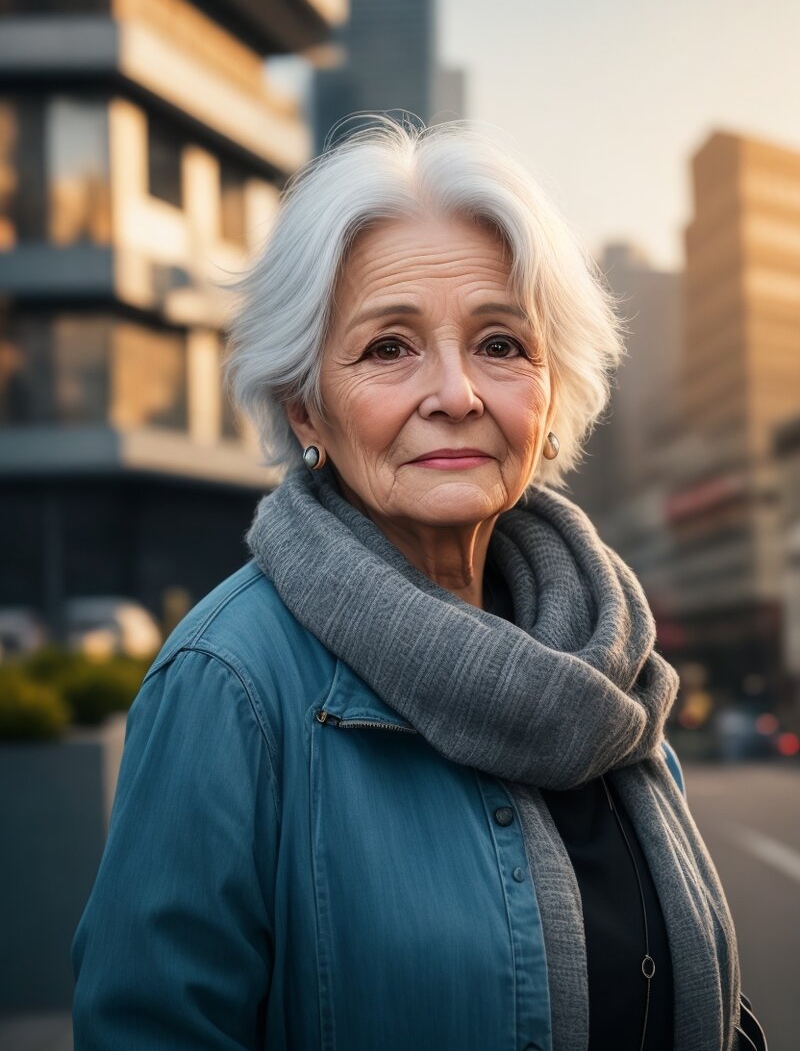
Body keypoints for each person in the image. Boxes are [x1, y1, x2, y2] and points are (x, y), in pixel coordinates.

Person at [71, 117, 767, 1050]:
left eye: (501, 344)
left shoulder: (610, 660)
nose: (457, 393)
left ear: (551, 395)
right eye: (390, 348)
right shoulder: (226, 684)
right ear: (305, 403)